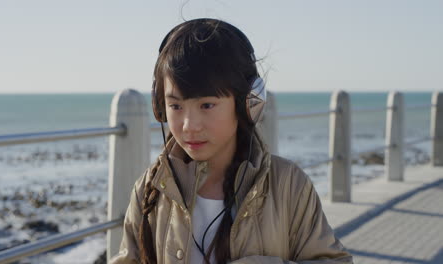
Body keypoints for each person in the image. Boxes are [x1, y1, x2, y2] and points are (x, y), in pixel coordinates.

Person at [110, 18, 353, 264]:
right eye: (175, 106)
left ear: (248, 104)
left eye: (207, 105)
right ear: (160, 107)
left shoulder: (288, 185)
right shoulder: (149, 191)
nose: (189, 125)